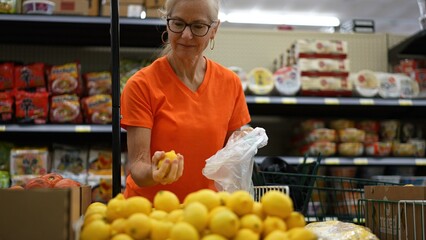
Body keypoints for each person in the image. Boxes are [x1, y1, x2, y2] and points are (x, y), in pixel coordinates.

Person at [120, 0, 251, 202]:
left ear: (214, 30)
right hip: (151, 214)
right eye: (178, 24)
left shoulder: (230, 83)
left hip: (207, 213)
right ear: (167, 23)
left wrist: (246, 143)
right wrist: (154, 173)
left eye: (198, 26)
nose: (186, 35)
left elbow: (232, 159)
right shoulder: (142, 85)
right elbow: (137, 166)